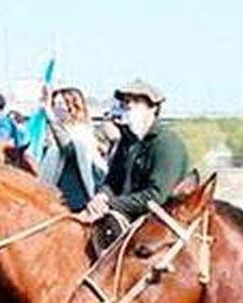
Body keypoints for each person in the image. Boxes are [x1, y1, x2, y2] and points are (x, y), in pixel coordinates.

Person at [78, 80, 189, 224]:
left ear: (153, 108)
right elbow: (112, 181)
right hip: (125, 214)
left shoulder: (167, 143)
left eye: (136, 101)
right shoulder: (128, 141)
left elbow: (156, 196)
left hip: (160, 224)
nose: (128, 105)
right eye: (125, 102)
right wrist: (101, 197)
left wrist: (111, 204)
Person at [36, 86, 107, 210]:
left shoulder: (80, 131)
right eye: (54, 104)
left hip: (77, 197)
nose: (56, 108)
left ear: (73, 105)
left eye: (60, 103)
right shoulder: (54, 134)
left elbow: (68, 148)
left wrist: (50, 117)